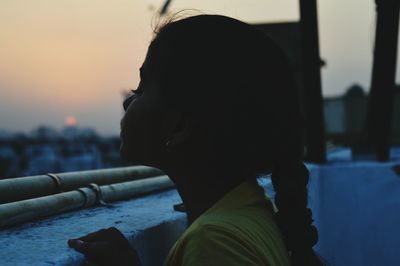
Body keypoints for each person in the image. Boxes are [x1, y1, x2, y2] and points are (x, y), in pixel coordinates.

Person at [68, 14, 322, 266]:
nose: (127, 102)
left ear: (179, 127)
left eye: (141, 89)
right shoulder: (250, 212)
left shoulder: (213, 242)